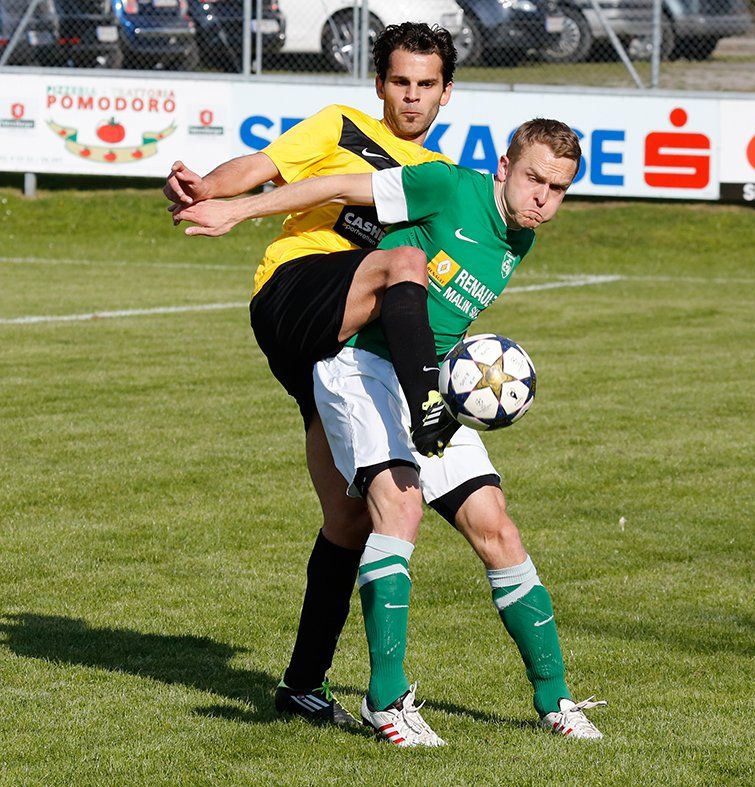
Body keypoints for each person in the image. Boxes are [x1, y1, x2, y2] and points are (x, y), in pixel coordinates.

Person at [174, 120, 607, 746]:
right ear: (504, 166)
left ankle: (555, 699)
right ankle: (387, 702)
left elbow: (443, 317)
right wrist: (237, 209)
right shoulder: (447, 186)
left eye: (557, 188)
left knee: (498, 527)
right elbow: (336, 185)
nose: (542, 197)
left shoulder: (521, 238)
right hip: (361, 369)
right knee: (399, 509)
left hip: (431, 378)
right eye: (534, 178)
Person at [165, 22, 461, 726]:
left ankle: (301, 686)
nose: (411, 96)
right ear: (379, 83)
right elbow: (263, 165)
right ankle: (429, 407)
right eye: (400, 81)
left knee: (348, 518)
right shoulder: (343, 125)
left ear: (446, 93)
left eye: (425, 85)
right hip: (294, 291)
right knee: (403, 262)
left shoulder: (439, 177)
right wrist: (207, 187)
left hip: (336, 347)